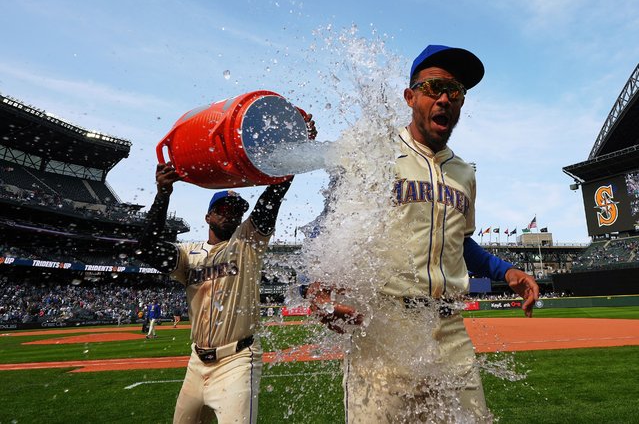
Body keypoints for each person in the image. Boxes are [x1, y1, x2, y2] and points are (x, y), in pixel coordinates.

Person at [306, 45, 539, 423]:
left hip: (449, 330)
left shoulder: (464, 173)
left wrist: (504, 271)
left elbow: (459, 242)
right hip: (385, 327)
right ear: (410, 96)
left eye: (455, 90)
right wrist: (316, 284)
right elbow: (329, 227)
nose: (445, 97)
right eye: (434, 87)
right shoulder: (374, 154)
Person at [136, 110, 315, 422]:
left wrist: (293, 152)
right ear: (207, 216)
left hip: (237, 360)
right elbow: (147, 248)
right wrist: (163, 194)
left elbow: (272, 196)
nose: (230, 214)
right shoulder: (188, 254)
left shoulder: (247, 243)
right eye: (222, 209)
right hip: (196, 363)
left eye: (236, 209)